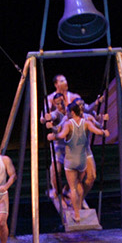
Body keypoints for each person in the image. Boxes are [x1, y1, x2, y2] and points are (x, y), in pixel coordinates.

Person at [56, 99, 108, 222]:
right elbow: (58, 129)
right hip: (75, 153)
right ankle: (77, 203)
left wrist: (103, 120)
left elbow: (99, 127)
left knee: (92, 177)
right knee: (77, 181)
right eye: (80, 105)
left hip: (86, 151)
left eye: (83, 105)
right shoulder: (68, 119)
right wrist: (53, 129)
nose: (82, 107)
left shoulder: (88, 118)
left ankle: (79, 197)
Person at [42, 75, 79, 210]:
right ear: (56, 84)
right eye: (62, 80)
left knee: (80, 169)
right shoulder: (51, 100)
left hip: (73, 141)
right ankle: (59, 195)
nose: (65, 82)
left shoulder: (73, 97)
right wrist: (46, 119)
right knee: (56, 169)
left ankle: (67, 189)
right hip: (59, 141)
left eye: (65, 79)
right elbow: (45, 116)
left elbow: (84, 110)